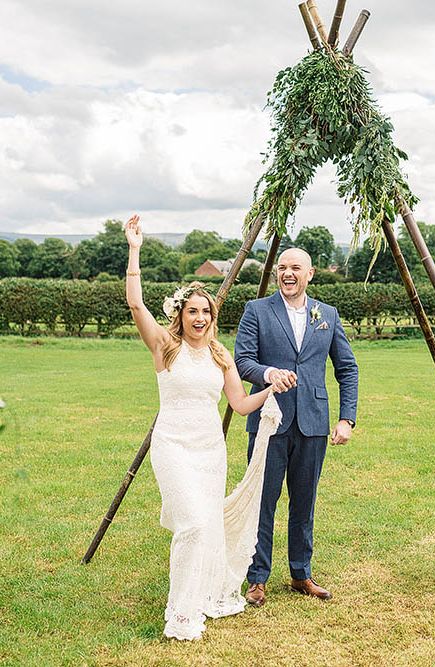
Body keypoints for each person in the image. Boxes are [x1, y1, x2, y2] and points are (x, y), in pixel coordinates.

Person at [124, 215, 292, 640]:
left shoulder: (221, 355)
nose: (200, 318)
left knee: (207, 523)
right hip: (173, 446)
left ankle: (200, 593)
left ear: (213, 317)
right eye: (193, 311)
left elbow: (238, 402)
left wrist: (269, 387)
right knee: (194, 524)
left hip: (209, 451)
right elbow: (136, 306)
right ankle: (181, 612)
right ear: (180, 315)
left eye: (206, 312)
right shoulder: (165, 346)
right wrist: (135, 250)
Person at [235, 247, 358, 607]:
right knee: (262, 501)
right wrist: (268, 374)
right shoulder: (256, 310)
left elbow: (347, 369)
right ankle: (257, 578)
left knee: (304, 502)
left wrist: (346, 418)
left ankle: (301, 573)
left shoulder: (327, 315)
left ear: (310, 274)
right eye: (282, 268)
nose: (288, 274)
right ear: (276, 273)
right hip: (269, 420)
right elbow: (242, 360)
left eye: (296, 268)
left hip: (313, 423)